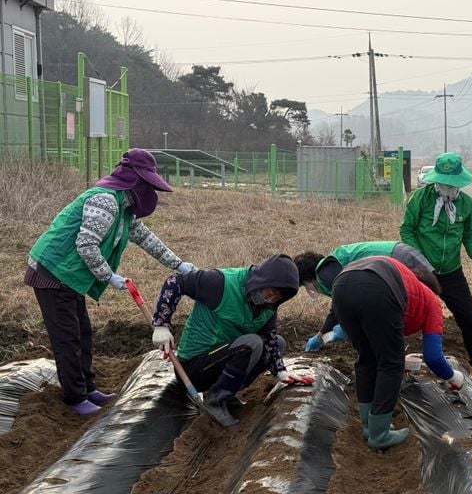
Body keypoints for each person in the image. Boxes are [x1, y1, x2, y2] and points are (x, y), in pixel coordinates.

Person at [25, 149, 194, 417]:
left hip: (70, 275)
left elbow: (146, 239)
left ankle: (88, 388)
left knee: (83, 333)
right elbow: (86, 244)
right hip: (53, 272)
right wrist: (109, 276)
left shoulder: (124, 207)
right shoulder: (106, 201)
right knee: (67, 338)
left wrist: (178, 264)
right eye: (148, 186)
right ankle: (75, 397)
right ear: (136, 181)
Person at [150, 254, 312, 427]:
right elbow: (176, 282)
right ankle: (215, 401)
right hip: (192, 367)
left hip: (220, 361)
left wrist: (280, 371)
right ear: (262, 280)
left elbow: (270, 339)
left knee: (278, 343)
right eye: (270, 293)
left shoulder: (268, 308)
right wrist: (162, 324)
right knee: (251, 344)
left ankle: (226, 393)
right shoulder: (221, 283)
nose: (271, 300)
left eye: (277, 298)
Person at [331, 256, 464, 450]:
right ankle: (379, 434)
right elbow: (433, 356)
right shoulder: (432, 300)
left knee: (367, 360)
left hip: (341, 285)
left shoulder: (408, 284)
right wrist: (453, 376)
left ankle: (369, 426)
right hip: (378, 286)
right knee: (391, 365)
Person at [399, 152, 472, 376]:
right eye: (444, 184)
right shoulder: (420, 199)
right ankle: (396, 353)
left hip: (451, 270)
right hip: (420, 270)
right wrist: (418, 258)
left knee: (469, 316)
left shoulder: (467, 204)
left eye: (453, 185)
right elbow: (407, 230)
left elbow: (470, 235)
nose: (449, 188)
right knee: (406, 311)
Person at [293, 240, 434, 351]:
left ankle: (427, 349)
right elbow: (337, 307)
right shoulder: (331, 268)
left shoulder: (325, 273)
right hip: (401, 252)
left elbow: (346, 302)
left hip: (398, 257)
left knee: (421, 302)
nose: (310, 289)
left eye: (305, 285)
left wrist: (344, 328)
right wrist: (321, 335)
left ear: (309, 278)